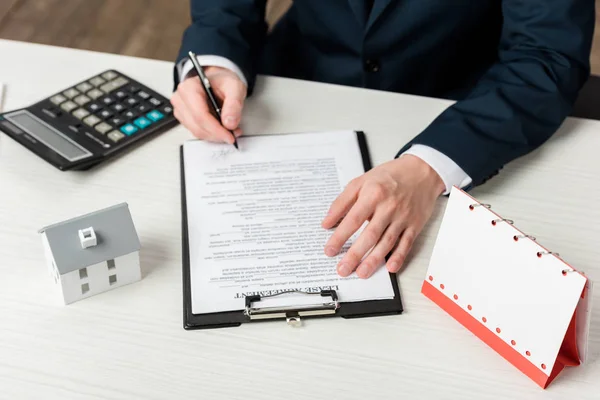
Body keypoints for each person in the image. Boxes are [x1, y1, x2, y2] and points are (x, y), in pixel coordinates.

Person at [171, 1, 595, 279]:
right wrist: (213, 60)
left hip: (463, 105)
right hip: (297, 82)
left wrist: (430, 168)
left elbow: (546, 55)